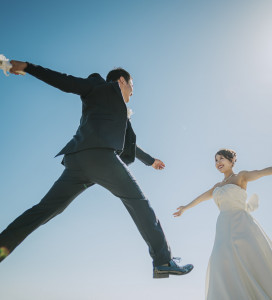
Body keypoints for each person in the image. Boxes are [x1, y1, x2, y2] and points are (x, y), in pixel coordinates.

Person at [0, 60, 193, 279]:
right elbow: (66, 81)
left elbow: (130, 145)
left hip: (79, 162)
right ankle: (163, 260)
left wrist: (150, 161)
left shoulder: (119, 109)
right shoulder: (98, 85)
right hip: (99, 156)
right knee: (139, 203)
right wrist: (28, 67)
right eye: (132, 86)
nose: (132, 92)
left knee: (45, 209)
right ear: (122, 81)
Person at [174, 149, 272, 299]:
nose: (218, 162)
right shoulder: (217, 186)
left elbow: (261, 172)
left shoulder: (241, 176)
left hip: (242, 224)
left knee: (251, 259)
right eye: (215, 160)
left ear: (231, 161)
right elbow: (201, 198)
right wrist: (185, 208)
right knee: (221, 260)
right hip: (222, 225)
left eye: (221, 159)